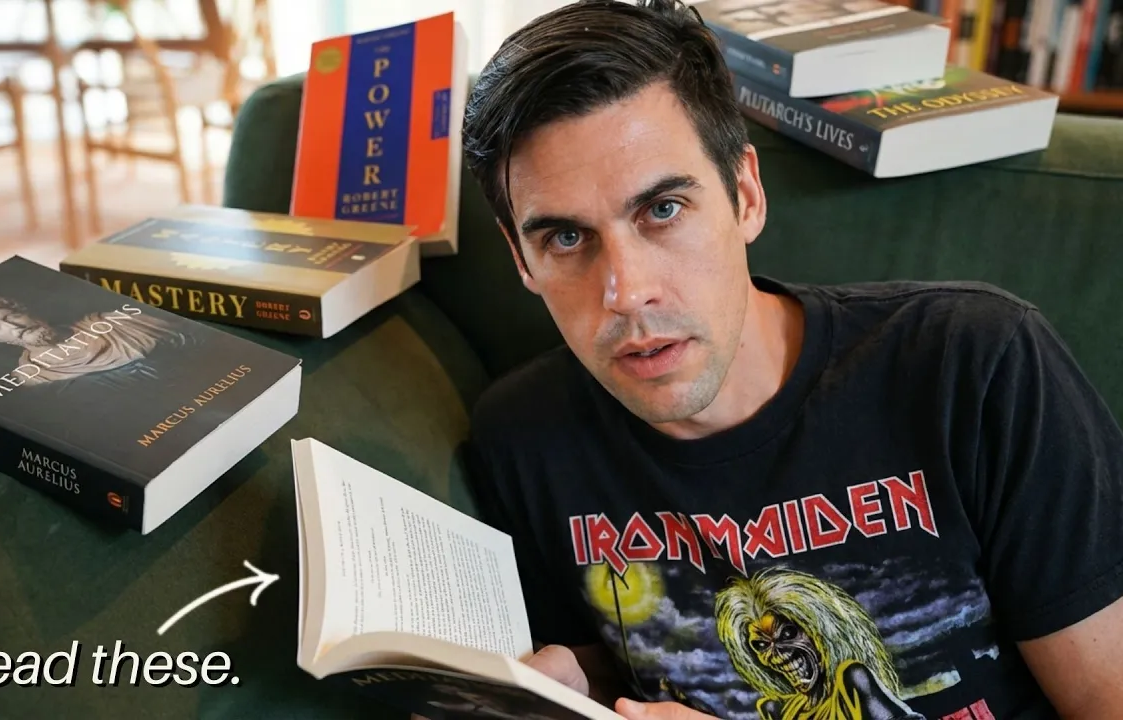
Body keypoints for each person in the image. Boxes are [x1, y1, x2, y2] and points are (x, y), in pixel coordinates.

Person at [457, 2, 1123, 719]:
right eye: (565, 238)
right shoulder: (525, 444)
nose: (626, 292)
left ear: (744, 195)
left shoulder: (978, 365)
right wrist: (573, 679)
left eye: (663, 210)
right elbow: (613, 657)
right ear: (520, 257)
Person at [0, 296, 194, 392]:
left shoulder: (113, 322)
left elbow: (192, 341)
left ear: (25, 311)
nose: (13, 327)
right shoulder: (31, 379)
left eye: (11, 316)